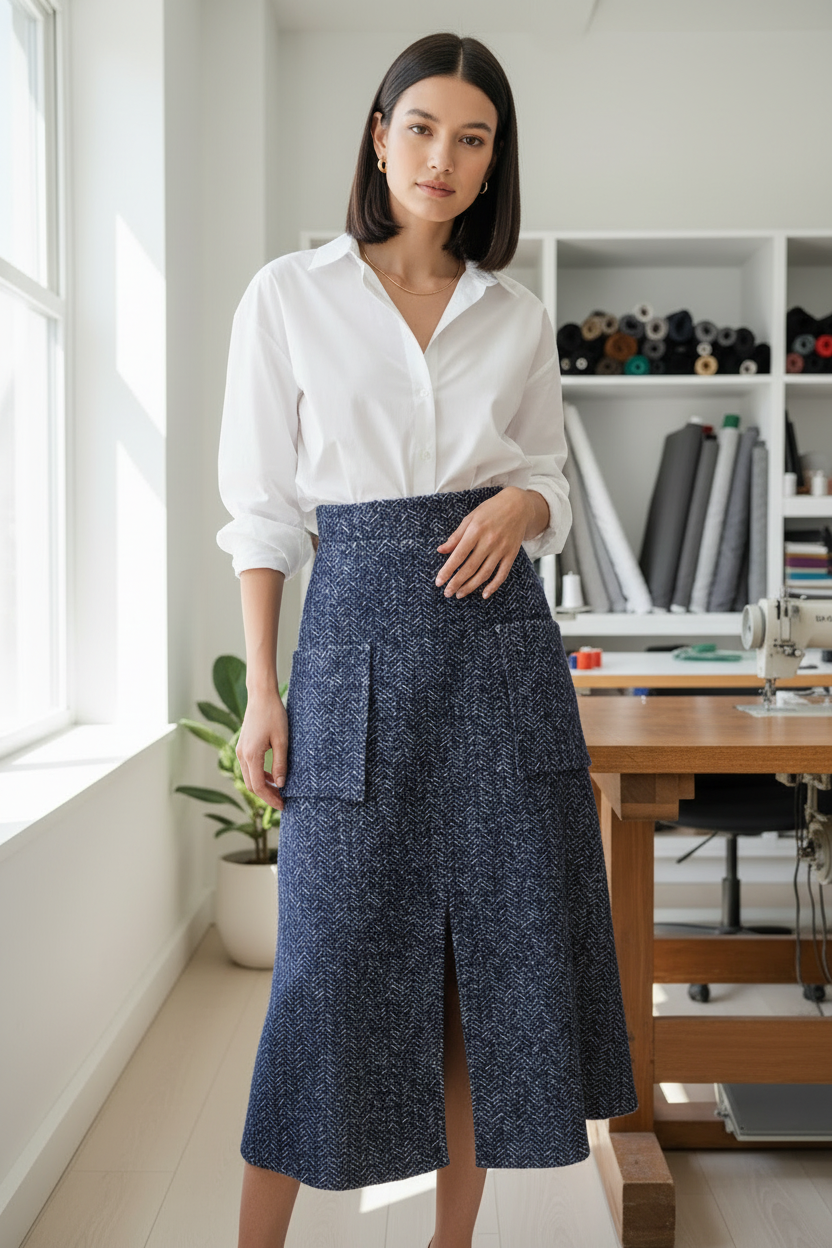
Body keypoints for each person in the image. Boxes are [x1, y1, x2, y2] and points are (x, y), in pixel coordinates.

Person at [215, 31, 637, 1248]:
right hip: (351, 655)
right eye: (420, 128)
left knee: (479, 984)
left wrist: (523, 508)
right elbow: (262, 511)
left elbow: (547, 477)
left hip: (498, 661)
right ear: (377, 134)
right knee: (322, 980)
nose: (441, 158)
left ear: (495, 161)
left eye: (472, 138)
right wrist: (262, 692)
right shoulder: (288, 294)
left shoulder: (516, 314)